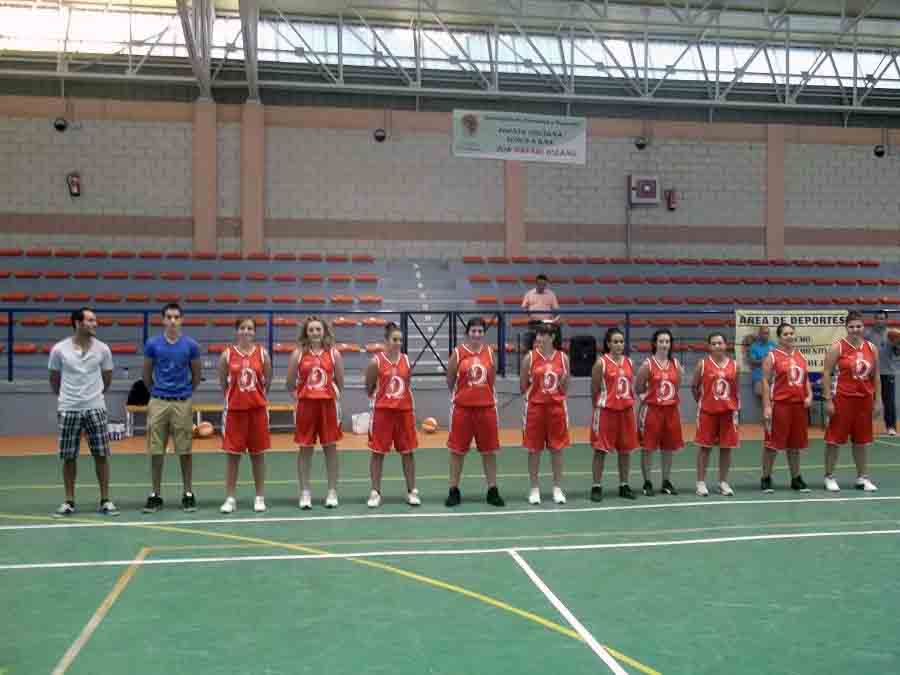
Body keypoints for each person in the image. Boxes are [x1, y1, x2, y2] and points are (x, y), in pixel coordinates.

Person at [48, 307, 118, 517]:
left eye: (95, 320)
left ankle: (105, 500)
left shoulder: (103, 349)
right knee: (69, 456)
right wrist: (68, 397)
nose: (95, 324)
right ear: (77, 323)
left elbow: (107, 378)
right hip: (69, 409)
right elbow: (54, 379)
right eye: (90, 320)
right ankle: (69, 501)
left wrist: (94, 395)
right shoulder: (59, 350)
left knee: (101, 454)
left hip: (95, 407)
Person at [142, 303, 201, 513]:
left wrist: (184, 393)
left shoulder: (191, 345)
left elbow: (196, 376)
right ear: (163, 320)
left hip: (182, 402)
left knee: (184, 449)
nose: (173, 321)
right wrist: (156, 393)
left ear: (182, 320)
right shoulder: (152, 344)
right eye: (169, 317)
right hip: (158, 400)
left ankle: (187, 493)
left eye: (177, 317)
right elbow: (146, 375)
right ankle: (155, 494)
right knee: (156, 449)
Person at [445, 317, 505, 507]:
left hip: (486, 409)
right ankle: (454, 490)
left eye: (480, 331)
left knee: (489, 451)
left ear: (483, 334)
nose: (477, 334)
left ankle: (492, 489)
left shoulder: (489, 352)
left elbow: (491, 380)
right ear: (467, 332)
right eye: (474, 331)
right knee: (457, 451)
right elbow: (450, 380)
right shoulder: (458, 352)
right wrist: (464, 395)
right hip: (462, 410)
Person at [287, 316, 344, 509]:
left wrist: (332, 394)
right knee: (305, 450)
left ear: (324, 331)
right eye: (311, 330)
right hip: (306, 407)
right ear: (306, 332)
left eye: (318, 329)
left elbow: (340, 382)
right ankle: (305, 492)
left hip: (327, 406)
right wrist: (301, 397)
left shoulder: (333, 354)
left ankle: (332, 491)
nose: (315, 333)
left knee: (330, 449)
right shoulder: (298, 354)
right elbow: (289, 382)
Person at [822, 311, 881, 492]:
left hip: (864, 401)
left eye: (858, 326)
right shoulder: (838, 348)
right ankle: (829, 476)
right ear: (846, 328)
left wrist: (878, 400)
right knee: (834, 440)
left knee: (861, 441)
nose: (855, 329)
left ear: (863, 327)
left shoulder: (871, 348)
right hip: (843, 399)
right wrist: (828, 400)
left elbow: (876, 375)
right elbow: (826, 373)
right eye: (851, 326)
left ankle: (862, 477)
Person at [218, 317, 272, 514]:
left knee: (258, 455)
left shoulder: (263, 354)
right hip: (235, 412)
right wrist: (234, 398)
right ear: (236, 331)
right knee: (233, 457)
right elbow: (223, 383)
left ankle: (259, 496)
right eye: (242, 328)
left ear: (254, 332)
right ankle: (230, 498)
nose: (246, 331)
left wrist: (256, 397)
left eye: (250, 328)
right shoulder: (227, 354)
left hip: (257, 411)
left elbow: (268, 380)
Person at [365, 322, 420, 508]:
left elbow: (407, 384)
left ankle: (412, 491)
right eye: (394, 339)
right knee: (378, 453)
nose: (398, 343)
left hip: (404, 412)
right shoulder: (376, 361)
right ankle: (375, 492)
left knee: (407, 452)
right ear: (386, 341)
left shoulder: (406, 360)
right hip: (383, 413)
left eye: (400, 340)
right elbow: (369, 386)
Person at [520, 322, 570, 505]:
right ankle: (534, 488)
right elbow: (522, 386)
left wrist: (562, 381)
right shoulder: (530, 358)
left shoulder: (563, 358)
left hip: (556, 409)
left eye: (543, 335)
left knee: (557, 449)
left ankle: (557, 488)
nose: (539, 338)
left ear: (553, 337)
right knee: (534, 449)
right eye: (538, 335)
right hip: (535, 409)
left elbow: (565, 387)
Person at [760, 322, 812, 493]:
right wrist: (767, 406)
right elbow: (766, 382)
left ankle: (796, 478)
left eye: (791, 333)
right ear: (779, 337)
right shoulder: (772, 356)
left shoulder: (800, 356)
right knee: (772, 445)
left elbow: (805, 380)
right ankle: (766, 478)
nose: (789, 336)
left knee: (795, 445)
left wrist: (809, 395)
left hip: (798, 407)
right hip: (779, 406)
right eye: (785, 334)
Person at [590, 327, 639, 500]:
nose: (619, 345)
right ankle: (596, 486)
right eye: (615, 341)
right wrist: (598, 408)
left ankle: (624, 484)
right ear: (608, 343)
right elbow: (594, 389)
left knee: (625, 450)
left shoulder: (629, 362)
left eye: (621, 341)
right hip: (606, 411)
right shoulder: (601, 363)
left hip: (625, 411)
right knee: (600, 449)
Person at [635, 328, 684, 497]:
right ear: (655, 343)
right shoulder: (647, 364)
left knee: (668, 448)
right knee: (648, 448)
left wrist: (668, 400)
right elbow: (638, 387)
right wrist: (650, 399)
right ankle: (647, 481)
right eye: (661, 341)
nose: (664, 344)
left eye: (667, 341)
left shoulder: (676, 364)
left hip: (671, 411)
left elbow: (677, 386)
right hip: (652, 411)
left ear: (671, 344)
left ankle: (666, 481)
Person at [692, 332, 739, 497]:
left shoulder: (735, 365)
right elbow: (694, 386)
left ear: (726, 345)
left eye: (720, 343)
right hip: (708, 413)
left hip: (727, 412)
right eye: (714, 343)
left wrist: (733, 406)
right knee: (705, 448)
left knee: (726, 448)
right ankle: (700, 482)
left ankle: (723, 482)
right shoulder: (702, 364)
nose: (717, 346)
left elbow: (735, 389)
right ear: (709, 347)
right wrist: (704, 402)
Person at [864, 310, 897, 436]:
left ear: (886, 320)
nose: (879, 321)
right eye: (877, 318)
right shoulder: (868, 335)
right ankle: (866, 427)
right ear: (874, 319)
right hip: (870, 374)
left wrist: (897, 345)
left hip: (887, 372)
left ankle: (891, 427)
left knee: (889, 401)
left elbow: (897, 353)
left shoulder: (892, 334)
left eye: (882, 318)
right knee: (868, 401)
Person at [521, 273, 561, 350]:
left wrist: (555, 320)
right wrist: (529, 315)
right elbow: (523, 308)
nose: (542, 286)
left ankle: (557, 353)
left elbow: (556, 310)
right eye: (540, 284)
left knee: (557, 329)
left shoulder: (551, 294)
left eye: (544, 284)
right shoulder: (529, 294)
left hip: (547, 322)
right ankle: (529, 356)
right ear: (536, 283)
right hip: (534, 323)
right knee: (528, 337)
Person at [748, 326, 777, 406]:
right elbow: (752, 361)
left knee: (773, 399)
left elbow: (777, 359)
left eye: (767, 333)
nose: (766, 335)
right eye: (764, 333)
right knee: (764, 397)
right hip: (759, 376)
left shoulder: (773, 345)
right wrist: (766, 361)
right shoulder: (754, 346)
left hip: (772, 377)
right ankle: (769, 415)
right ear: (759, 334)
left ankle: (770, 416)